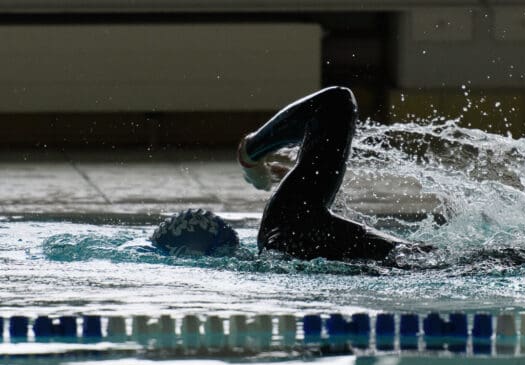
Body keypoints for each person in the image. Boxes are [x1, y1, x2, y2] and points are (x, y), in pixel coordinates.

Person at [152, 87, 420, 261]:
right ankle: (254, 148)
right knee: (336, 102)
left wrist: (294, 183)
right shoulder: (288, 227)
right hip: (424, 268)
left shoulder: (280, 248)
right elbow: (333, 103)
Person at [238, 86, 416, 260]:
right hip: (292, 233)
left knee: (336, 101)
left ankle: (253, 149)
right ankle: (252, 151)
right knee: (417, 257)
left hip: (292, 228)